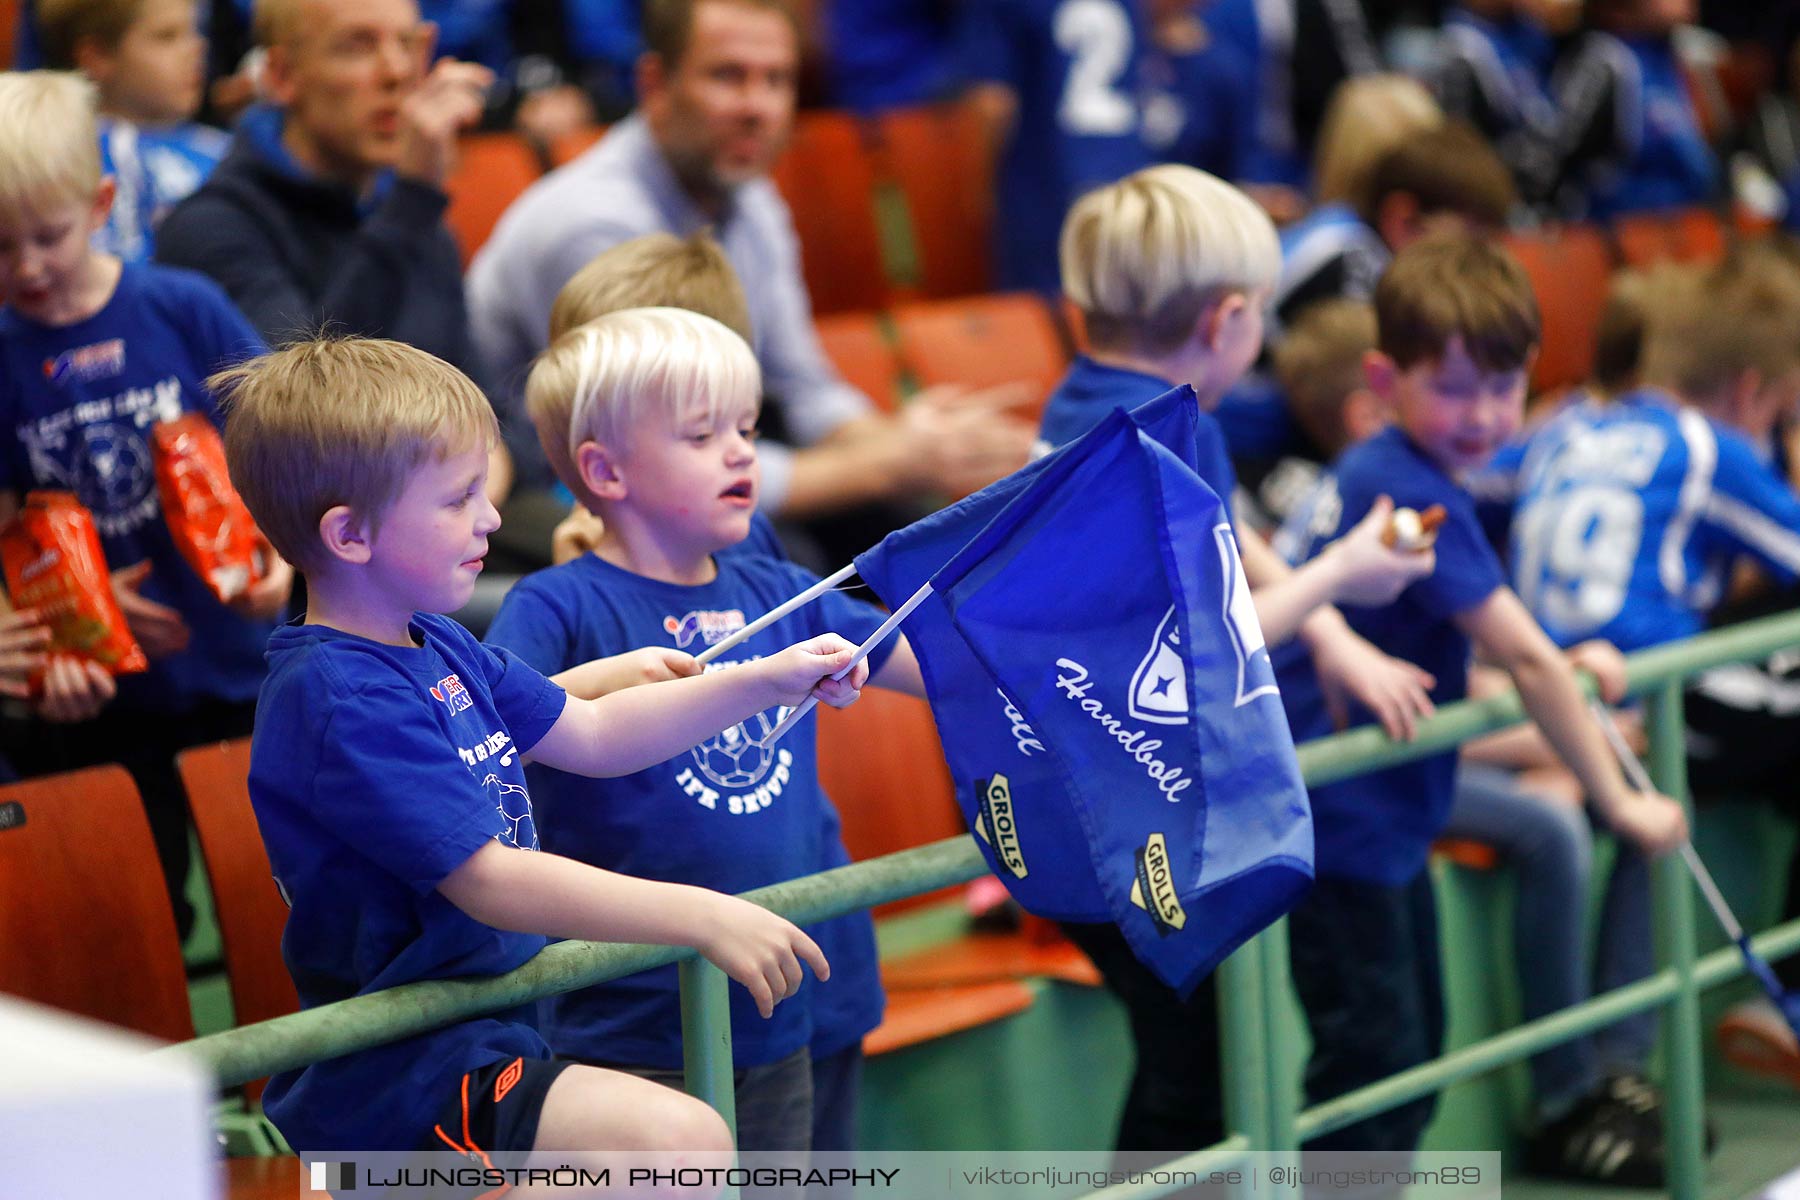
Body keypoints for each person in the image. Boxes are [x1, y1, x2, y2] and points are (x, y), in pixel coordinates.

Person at [213, 332, 870, 1158]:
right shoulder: (339, 698)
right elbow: (491, 879)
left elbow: (589, 729)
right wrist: (700, 916)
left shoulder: (435, 642)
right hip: (405, 1074)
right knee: (680, 1144)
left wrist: (766, 679)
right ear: (350, 535)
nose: (493, 516)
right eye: (457, 499)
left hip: (491, 1032)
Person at [1035, 164, 1439, 1160]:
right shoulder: (1150, 436)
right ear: (1226, 322)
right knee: (1195, 1074)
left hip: (1089, 788)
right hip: (1094, 812)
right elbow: (1212, 635)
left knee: (1201, 1060)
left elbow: (1228, 539)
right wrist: (1339, 575)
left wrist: (1332, 637)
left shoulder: (1124, 404)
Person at [1273, 234, 1687, 1168]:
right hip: (1336, 822)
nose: (1484, 414)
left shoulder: (1406, 471)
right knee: (1368, 1088)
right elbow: (1527, 664)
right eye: (1456, 389)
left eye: (1504, 389)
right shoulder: (1404, 487)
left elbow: (1492, 650)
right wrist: (1620, 799)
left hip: (1383, 816)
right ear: (1384, 378)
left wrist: (1569, 659)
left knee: (1402, 1077)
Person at [487, 308, 929, 1159]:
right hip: (628, 1024)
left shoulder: (780, 588)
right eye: (702, 434)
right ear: (603, 471)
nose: (740, 452)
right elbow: (498, 729)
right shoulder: (555, 605)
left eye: (747, 428)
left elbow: (945, 662)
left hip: (772, 1007)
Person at [467, 0, 1034, 555]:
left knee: (930, 529)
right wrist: (891, 461)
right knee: (780, 553)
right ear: (654, 83)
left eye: (776, 80)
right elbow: (658, 461)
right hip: (556, 498)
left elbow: (802, 386)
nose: (756, 106)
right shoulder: (593, 224)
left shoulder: (750, 195)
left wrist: (917, 445)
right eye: (728, 76)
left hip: (703, 461)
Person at [0, 69, 290, 939]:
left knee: (271, 899)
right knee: (142, 916)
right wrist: (57, 621)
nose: (27, 268)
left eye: (47, 236)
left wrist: (285, 555)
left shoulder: (181, 307)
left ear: (101, 203)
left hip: (239, 671)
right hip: (103, 707)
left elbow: (283, 446)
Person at [154, 0, 509, 498]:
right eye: (357, 46)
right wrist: (412, 204)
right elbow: (313, 423)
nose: (397, 72)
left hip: (459, 515)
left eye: (407, 45)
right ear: (280, 75)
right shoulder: (211, 229)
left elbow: (490, 410)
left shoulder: (413, 216)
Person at [35, 0, 227, 262]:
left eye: (195, 31)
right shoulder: (87, 157)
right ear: (97, 56)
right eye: (166, 36)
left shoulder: (223, 143)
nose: (196, 48)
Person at [1525, 0, 1720, 219]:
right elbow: (1546, 157)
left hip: (1686, 230)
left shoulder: (1676, 57)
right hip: (1614, 231)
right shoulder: (1606, 60)